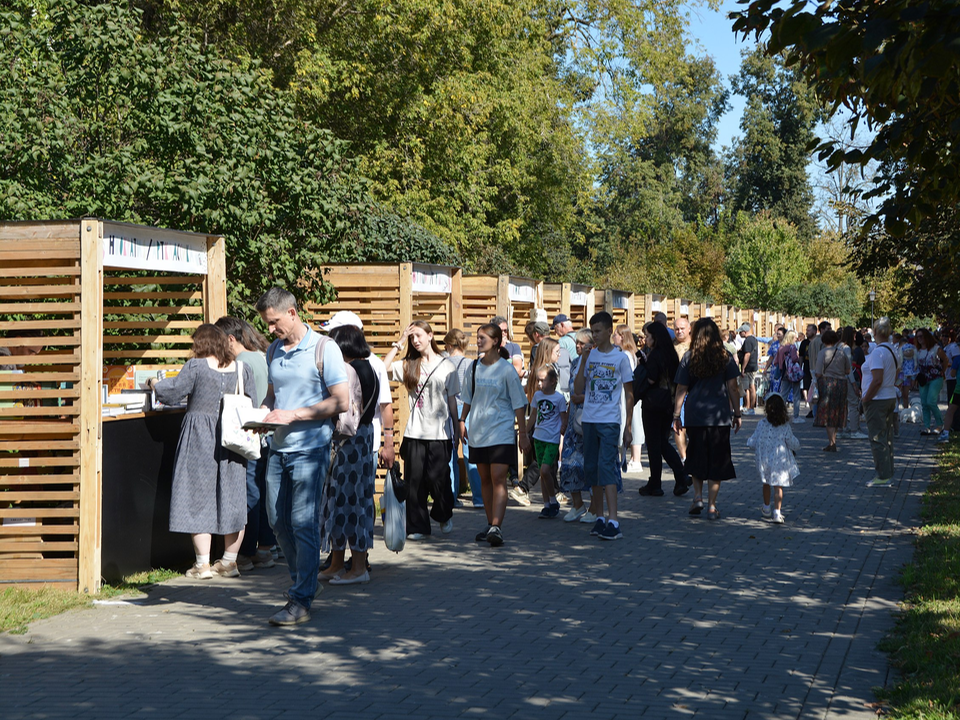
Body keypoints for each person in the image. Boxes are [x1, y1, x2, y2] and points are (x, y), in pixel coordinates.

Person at [256, 287, 349, 626]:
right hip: (278, 449)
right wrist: (262, 416)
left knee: (302, 524)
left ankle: (300, 600)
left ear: (292, 313)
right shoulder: (273, 351)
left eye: (274, 322)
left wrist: (293, 415)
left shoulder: (325, 348)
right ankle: (306, 581)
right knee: (277, 522)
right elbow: (273, 396)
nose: (270, 329)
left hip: (311, 449)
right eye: (267, 323)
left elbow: (341, 401)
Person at [147, 324, 256, 580]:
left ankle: (202, 565)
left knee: (196, 496)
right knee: (233, 497)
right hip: (233, 439)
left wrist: (154, 383)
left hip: (199, 437)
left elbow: (172, 392)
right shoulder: (242, 368)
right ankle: (229, 562)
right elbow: (250, 399)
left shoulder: (195, 367)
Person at [384, 321, 460, 540]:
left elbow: (452, 400)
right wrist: (398, 344)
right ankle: (417, 526)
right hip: (415, 432)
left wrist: (457, 428)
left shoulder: (447, 366)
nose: (415, 341)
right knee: (415, 481)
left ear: (430, 335)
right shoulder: (408, 364)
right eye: (412, 338)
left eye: (418, 336)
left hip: (440, 433)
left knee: (439, 478)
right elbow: (382, 368)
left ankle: (443, 514)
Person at [214, 316, 277, 573]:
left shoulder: (241, 363)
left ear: (231, 338)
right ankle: (265, 549)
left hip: (249, 437)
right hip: (267, 435)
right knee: (261, 492)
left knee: (249, 493)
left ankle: (245, 552)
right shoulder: (261, 356)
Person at [318, 325, 379, 585]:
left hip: (348, 441)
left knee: (347, 502)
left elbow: (343, 411)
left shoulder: (350, 370)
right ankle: (337, 563)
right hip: (362, 438)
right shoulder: (371, 368)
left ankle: (355, 568)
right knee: (350, 500)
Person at [460, 323, 530, 546]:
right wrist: (462, 420)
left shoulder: (506, 370)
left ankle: (497, 526)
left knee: (498, 478)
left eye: (483, 338)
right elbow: (468, 398)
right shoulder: (473, 368)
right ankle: (490, 524)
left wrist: (523, 434)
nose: (478, 341)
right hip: (478, 433)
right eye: (478, 338)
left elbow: (519, 404)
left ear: (496, 342)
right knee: (485, 480)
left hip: (501, 432)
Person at [673, 318, 741, 521]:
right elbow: (733, 388)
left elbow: (681, 389)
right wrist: (737, 413)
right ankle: (712, 505)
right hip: (719, 416)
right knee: (717, 461)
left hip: (695, 415)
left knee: (696, 456)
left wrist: (676, 415)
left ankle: (697, 497)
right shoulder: (725, 357)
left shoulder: (689, 357)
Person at [574, 311, 634, 540]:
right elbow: (578, 389)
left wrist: (628, 426)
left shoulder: (620, 358)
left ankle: (614, 520)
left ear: (610, 331)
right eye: (592, 332)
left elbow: (630, 394)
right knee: (591, 468)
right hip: (589, 419)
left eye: (598, 331)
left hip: (609, 421)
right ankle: (599, 517)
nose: (595, 336)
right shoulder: (589, 356)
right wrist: (584, 362)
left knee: (607, 467)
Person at [636, 322, 687, 497]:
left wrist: (642, 367)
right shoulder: (671, 354)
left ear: (655, 337)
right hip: (668, 403)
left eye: (648, 336)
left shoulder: (656, 354)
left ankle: (656, 483)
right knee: (662, 442)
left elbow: (651, 379)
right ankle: (680, 476)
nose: (646, 339)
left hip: (653, 403)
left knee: (653, 444)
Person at [747, 393, 800, 525]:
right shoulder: (784, 426)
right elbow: (792, 442)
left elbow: (753, 440)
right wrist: (797, 446)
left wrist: (750, 443)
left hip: (764, 461)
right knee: (778, 487)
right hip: (779, 462)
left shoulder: (762, 424)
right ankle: (777, 512)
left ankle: (766, 507)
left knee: (766, 483)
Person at [559, 328, 594, 522]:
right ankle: (578, 505)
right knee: (569, 463)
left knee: (590, 465)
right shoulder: (574, 363)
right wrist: (566, 418)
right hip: (574, 420)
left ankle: (595, 508)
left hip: (590, 419)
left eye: (582, 343)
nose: (577, 346)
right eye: (577, 343)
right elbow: (572, 394)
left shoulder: (596, 362)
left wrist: (580, 397)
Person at [444, 328, 482, 508]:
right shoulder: (471, 364)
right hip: (467, 410)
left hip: (448, 410)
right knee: (470, 454)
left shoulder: (443, 363)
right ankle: (479, 498)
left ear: (449, 345)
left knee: (450, 455)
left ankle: (451, 496)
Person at [862, 318, 900, 486]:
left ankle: (883, 475)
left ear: (875, 333)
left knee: (877, 438)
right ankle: (887, 471)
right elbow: (896, 373)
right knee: (887, 437)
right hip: (889, 396)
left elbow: (877, 380)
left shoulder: (878, 352)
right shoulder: (893, 350)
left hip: (877, 399)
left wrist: (866, 398)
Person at [526, 367, 567, 518]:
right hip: (539, 438)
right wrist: (524, 433)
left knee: (544, 470)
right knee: (544, 474)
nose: (539, 383)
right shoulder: (537, 395)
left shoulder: (559, 398)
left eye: (542, 380)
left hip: (552, 439)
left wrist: (564, 427)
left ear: (552, 381)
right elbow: (533, 416)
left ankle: (553, 500)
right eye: (538, 380)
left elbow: (563, 418)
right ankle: (546, 505)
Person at [813, 329, 851, 452]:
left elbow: (818, 372)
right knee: (837, 412)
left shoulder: (822, 353)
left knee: (827, 413)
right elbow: (848, 371)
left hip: (827, 384)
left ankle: (832, 442)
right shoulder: (842, 353)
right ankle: (833, 440)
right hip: (841, 384)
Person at [614, 324, 644, 472]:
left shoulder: (625, 354)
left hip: (626, 392)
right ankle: (632, 458)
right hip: (630, 392)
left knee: (631, 423)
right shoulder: (632, 352)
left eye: (616, 334)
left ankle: (635, 459)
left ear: (622, 336)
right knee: (633, 422)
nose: (613, 337)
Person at [915, 328, 948, 435]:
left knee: (931, 401)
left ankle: (940, 424)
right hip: (923, 379)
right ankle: (927, 426)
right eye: (917, 337)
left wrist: (943, 371)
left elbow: (946, 360)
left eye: (921, 336)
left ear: (926, 336)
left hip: (935, 377)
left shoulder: (936, 349)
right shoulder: (918, 350)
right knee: (924, 403)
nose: (919, 339)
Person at [839, 326, 868, 440]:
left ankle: (843, 429)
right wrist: (854, 384)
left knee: (843, 405)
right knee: (853, 403)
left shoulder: (838, 346)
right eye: (854, 335)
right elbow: (849, 368)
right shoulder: (846, 348)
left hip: (839, 378)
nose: (856, 337)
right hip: (847, 379)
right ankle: (854, 430)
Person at [773, 330, 803, 423]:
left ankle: (779, 415)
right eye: (795, 337)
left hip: (784, 373)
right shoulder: (792, 347)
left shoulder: (781, 347)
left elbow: (775, 362)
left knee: (783, 395)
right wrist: (797, 357)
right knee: (796, 394)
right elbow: (794, 359)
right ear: (791, 338)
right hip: (793, 373)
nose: (796, 339)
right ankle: (796, 416)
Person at [737, 323, 759, 415]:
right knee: (751, 386)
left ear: (745, 332)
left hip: (749, 367)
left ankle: (749, 407)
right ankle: (750, 407)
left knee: (748, 387)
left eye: (740, 332)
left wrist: (743, 368)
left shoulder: (748, 341)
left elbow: (747, 354)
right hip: (753, 365)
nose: (739, 334)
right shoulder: (754, 339)